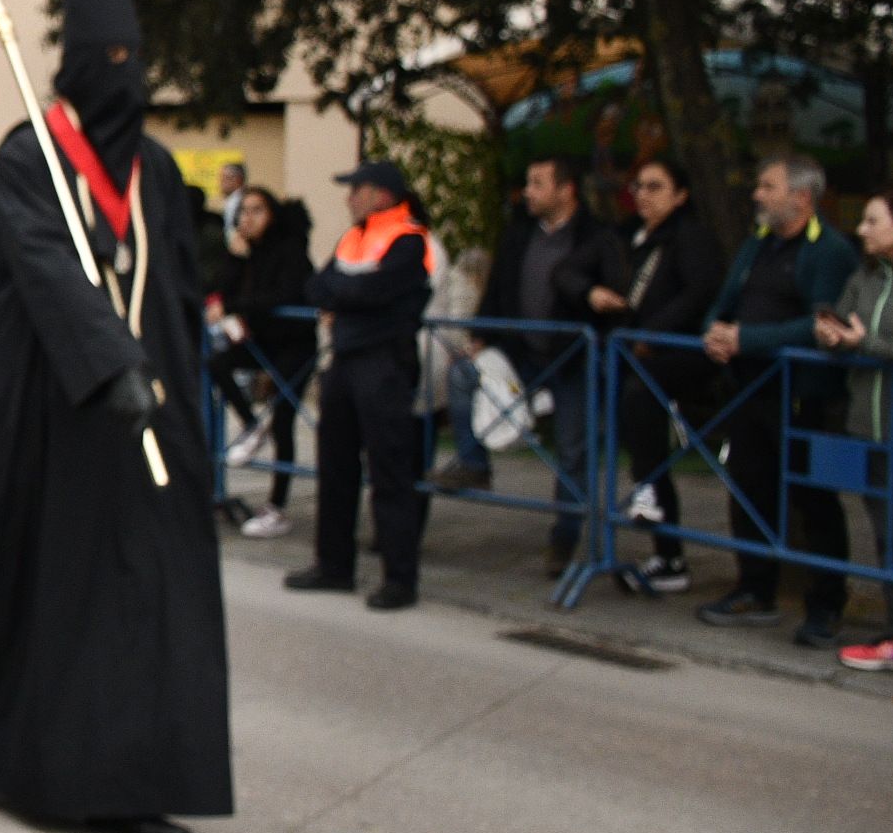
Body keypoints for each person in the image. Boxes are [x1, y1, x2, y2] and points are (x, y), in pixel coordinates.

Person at [0, 0, 230, 833]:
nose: (123, 73)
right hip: (53, 412)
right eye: (105, 59)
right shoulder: (30, 155)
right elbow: (54, 271)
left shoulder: (158, 164)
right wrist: (109, 366)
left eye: (132, 58)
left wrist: (185, 382)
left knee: (145, 593)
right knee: (26, 577)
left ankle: (134, 773)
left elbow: (181, 279)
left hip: (148, 416)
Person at [433, 155, 627, 575]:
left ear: (566, 188)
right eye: (527, 182)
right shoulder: (520, 233)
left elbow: (613, 294)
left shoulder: (596, 236)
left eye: (538, 183)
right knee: (463, 375)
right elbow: (500, 283)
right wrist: (481, 334)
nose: (529, 192)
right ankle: (474, 464)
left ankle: (565, 538)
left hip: (574, 358)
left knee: (573, 449)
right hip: (521, 352)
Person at [697, 154, 860, 648]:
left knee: (815, 500)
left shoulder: (828, 250)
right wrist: (714, 333)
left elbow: (820, 325)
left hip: (804, 397)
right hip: (752, 389)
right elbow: (723, 302)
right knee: (749, 488)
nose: (757, 195)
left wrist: (746, 337)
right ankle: (753, 588)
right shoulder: (757, 243)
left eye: (767, 186)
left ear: (802, 198)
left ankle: (826, 604)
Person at [291, 161, 436, 609]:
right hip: (347, 359)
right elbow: (315, 286)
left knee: (390, 472)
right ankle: (334, 566)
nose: (349, 197)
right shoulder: (353, 237)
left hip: (384, 362)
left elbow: (372, 294)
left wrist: (342, 296)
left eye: (356, 188)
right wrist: (344, 295)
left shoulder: (409, 238)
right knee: (335, 467)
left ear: (383, 193)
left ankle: (400, 578)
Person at [593, 156, 729, 595]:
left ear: (681, 195)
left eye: (655, 187)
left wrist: (653, 331)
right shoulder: (636, 238)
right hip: (638, 355)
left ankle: (653, 502)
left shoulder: (691, 238)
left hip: (683, 356)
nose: (643, 195)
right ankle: (661, 537)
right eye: (639, 186)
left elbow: (698, 291)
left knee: (640, 401)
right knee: (637, 422)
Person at [819, 189, 893, 670]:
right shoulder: (865, 276)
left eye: (873, 221)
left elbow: (884, 342)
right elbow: (839, 317)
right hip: (871, 428)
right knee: (891, 536)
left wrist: (865, 342)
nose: (862, 229)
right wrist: (828, 333)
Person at [207, 186, 315, 537]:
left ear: (272, 215)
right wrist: (236, 258)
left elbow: (280, 295)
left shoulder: (291, 250)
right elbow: (225, 291)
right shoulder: (248, 252)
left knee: (284, 422)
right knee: (218, 363)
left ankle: (278, 506)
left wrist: (237, 306)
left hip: (295, 344)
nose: (247, 219)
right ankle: (253, 427)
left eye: (256, 210)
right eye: (243, 211)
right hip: (263, 342)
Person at [216, 160, 248, 237]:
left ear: (237, 179)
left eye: (224, 178)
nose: (220, 182)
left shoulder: (240, 200)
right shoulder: (231, 200)